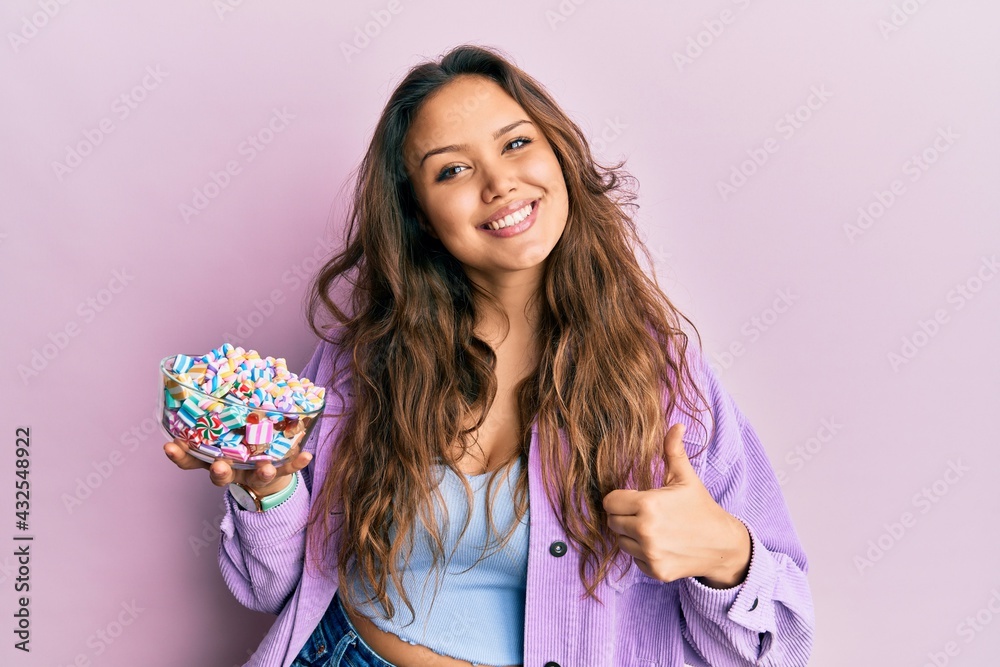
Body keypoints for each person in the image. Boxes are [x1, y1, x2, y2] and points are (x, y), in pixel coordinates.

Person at [164, 44, 815, 667]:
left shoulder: (664, 380)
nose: (500, 181)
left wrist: (727, 553)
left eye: (516, 142)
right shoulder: (358, 362)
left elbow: (780, 644)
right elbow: (270, 591)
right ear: (417, 213)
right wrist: (269, 491)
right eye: (452, 168)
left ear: (557, 154)